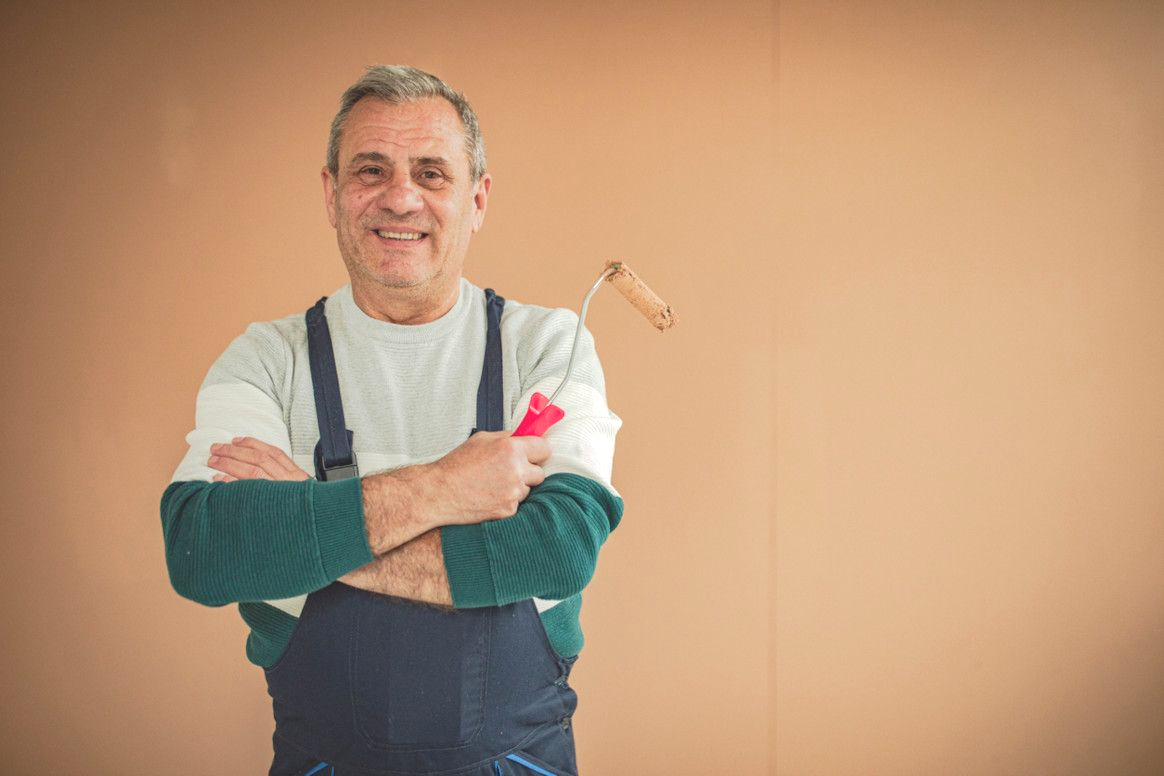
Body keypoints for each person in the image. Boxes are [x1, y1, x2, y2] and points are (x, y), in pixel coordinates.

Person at [160, 65, 623, 776]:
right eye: (370, 170)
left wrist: (307, 525)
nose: (400, 197)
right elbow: (206, 548)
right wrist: (444, 488)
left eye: (432, 173)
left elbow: (555, 550)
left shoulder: (547, 349)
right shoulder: (265, 360)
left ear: (478, 198)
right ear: (331, 193)